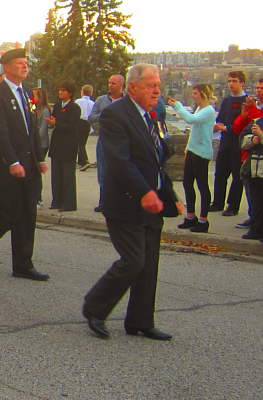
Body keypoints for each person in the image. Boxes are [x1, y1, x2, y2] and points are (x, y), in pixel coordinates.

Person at [83, 64, 183, 341]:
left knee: (149, 264)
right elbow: (119, 160)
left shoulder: (151, 116)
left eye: (158, 85)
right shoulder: (116, 114)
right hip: (126, 203)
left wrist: (169, 196)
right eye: (151, 85)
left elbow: (158, 160)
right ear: (133, 87)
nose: (157, 90)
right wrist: (143, 192)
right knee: (134, 261)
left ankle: (140, 321)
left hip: (153, 204)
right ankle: (95, 307)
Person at [0, 48, 50, 281]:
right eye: (20, 63)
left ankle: (23, 264)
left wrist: (40, 159)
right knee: (10, 213)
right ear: (7, 68)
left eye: (25, 63)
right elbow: (0, 132)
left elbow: (32, 130)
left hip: (29, 165)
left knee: (28, 213)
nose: (24, 66)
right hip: (8, 164)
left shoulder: (28, 93)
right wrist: (12, 161)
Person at [168, 84, 216, 232]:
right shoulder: (200, 108)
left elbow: (191, 120)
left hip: (202, 152)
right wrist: (188, 148)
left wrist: (177, 106)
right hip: (193, 150)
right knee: (188, 183)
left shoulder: (208, 110)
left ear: (203, 94)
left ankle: (203, 220)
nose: (193, 96)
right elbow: (195, 132)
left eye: (195, 93)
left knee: (202, 185)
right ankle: (190, 216)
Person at [88, 74, 125, 211]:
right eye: (109, 83)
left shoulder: (127, 100)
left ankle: (119, 201)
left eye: (113, 83)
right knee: (103, 172)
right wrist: (107, 112)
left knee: (120, 171)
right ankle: (104, 202)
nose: (110, 85)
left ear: (121, 85)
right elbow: (91, 118)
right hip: (104, 140)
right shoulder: (101, 100)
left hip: (121, 141)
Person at [213, 70, 247, 216]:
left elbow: (246, 125)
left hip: (238, 144)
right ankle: (217, 202)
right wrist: (218, 125)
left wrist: (226, 128)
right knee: (220, 173)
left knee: (236, 176)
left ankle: (233, 206)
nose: (231, 84)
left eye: (234, 81)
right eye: (229, 81)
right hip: (225, 142)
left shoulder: (246, 102)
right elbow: (220, 118)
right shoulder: (227, 101)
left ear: (242, 83)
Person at [231, 78, 263, 227]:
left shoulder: (257, 111)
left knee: (256, 194)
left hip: (258, 159)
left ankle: (256, 221)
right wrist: (244, 115)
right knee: (251, 192)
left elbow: (258, 125)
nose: (258, 91)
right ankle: (253, 218)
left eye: (261, 88)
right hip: (249, 156)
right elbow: (240, 130)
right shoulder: (254, 109)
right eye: (257, 88)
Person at [46, 80, 81, 212]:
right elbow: (54, 120)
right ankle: (57, 201)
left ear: (70, 93)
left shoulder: (74, 108)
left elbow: (71, 126)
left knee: (68, 176)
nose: (60, 92)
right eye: (60, 90)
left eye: (64, 90)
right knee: (56, 175)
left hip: (68, 145)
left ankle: (68, 203)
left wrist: (56, 123)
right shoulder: (58, 106)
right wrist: (51, 123)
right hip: (57, 144)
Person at [239, 119, 263, 241]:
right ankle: (256, 229)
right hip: (254, 169)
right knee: (256, 202)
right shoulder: (257, 121)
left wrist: (261, 135)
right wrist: (253, 140)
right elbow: (242, 141)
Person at [33, 87, 51, 204]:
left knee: (37, 169)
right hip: (33, 143)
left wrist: (33, 140)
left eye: (34, 95)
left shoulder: (45, 110)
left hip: (41, 144)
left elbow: (43, 130)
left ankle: (38, 198)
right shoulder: (33, 109)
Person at [74, 85, 95, 168]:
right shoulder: (93, 103)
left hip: (79, 122)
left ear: (82, 92)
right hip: (88, 123)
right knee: (83, 142)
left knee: (80, 142)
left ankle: (85, 160)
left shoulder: (78, 101)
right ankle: (80, 161)